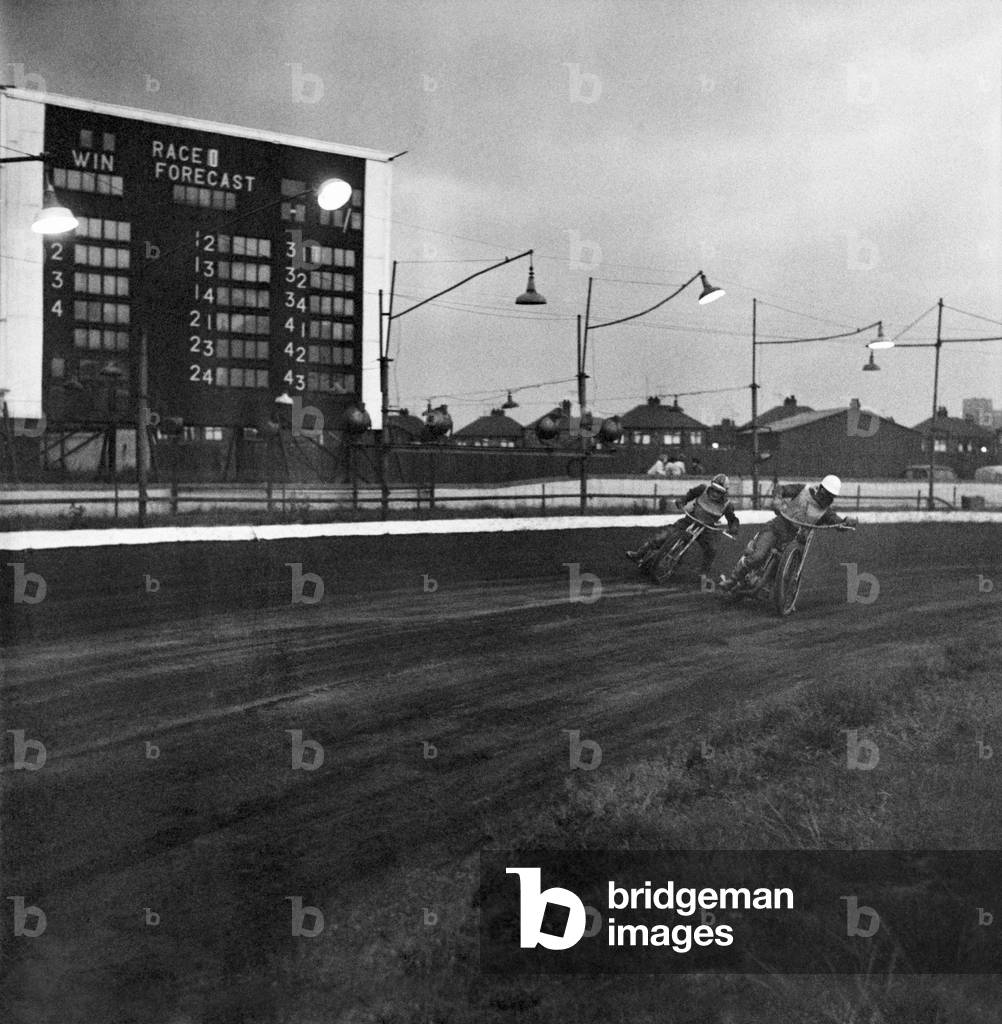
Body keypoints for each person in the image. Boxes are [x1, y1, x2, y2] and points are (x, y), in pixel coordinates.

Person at [717, 474, 856, 590]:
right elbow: (780, 489)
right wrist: (777, 500)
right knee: (758, 556)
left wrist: (847, 521)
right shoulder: (803, 490)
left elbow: (838, 522)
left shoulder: (826, 512)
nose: (826, 498)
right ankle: (733, 579)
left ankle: (782, 594)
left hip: (796, 540)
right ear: (820, 488)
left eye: (831, 496)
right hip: (777, 528)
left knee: (789, 570)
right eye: (826, 493)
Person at [626, 473, 739, 577]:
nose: (715, 493)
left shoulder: (727, 505)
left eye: (719, 492)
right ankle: (639, 554)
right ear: (711, 486)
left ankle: (703, 572)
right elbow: (690, 494)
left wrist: (733, 528)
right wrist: (682, 501)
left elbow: (732, 519)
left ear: (724, 492)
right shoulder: (702, 489)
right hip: (690, 519)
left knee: (712, 549)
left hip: (706, 528)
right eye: (714, 489)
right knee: (664, 535)